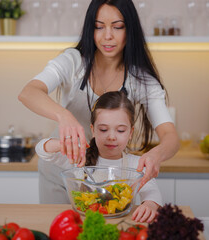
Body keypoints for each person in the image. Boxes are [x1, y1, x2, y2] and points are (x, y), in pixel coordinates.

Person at [18, 0, 179, 203]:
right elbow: (28, 92)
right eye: (99, 27)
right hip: (61, 169)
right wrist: (65, 116)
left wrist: (156, 155)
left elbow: (170, 137)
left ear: (130, 30)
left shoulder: (142, 79)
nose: (107, 36)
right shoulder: (73, 61)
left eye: (117, 27)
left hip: (107, 173)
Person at [36, 91, 162, 223]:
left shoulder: (137, 163)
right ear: (93, 130)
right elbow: (42, 151)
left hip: (121, 223)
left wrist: (149, 205)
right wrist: (62, 144)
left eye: (120, 130)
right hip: (86, 224)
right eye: (103, 129)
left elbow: (152, 191)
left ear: (130, 133)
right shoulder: (80, 158)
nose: (111, 137)